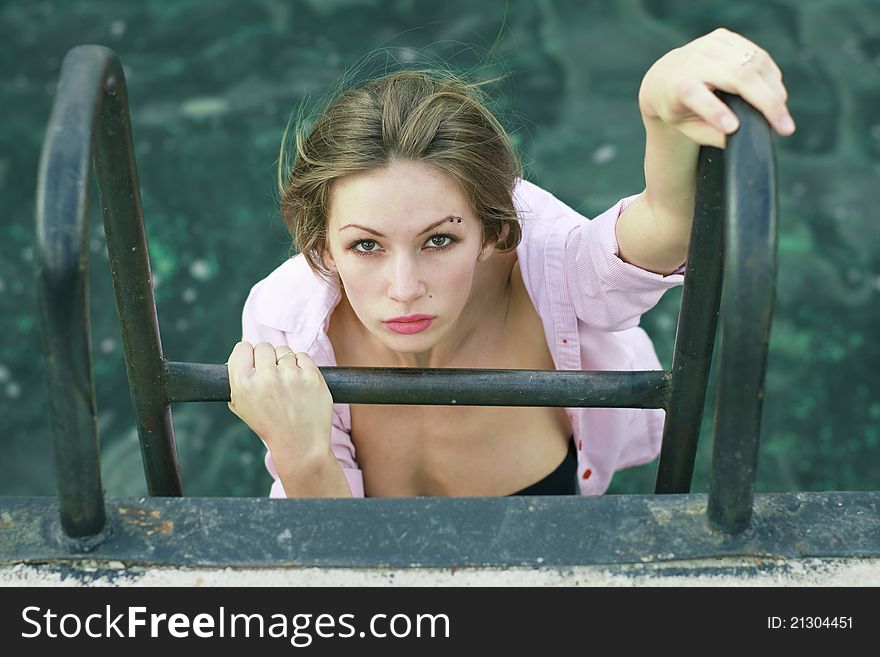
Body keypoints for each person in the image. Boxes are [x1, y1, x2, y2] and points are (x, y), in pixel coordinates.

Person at [226, 27, 794, 498]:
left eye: (439, 241)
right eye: (366, 246)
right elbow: (337, 571)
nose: (403, 289)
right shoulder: (287, 327)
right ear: (323, 249)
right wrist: (301, 457)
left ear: (493, 232)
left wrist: (662, 120)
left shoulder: (543, 264)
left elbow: (653, 235)